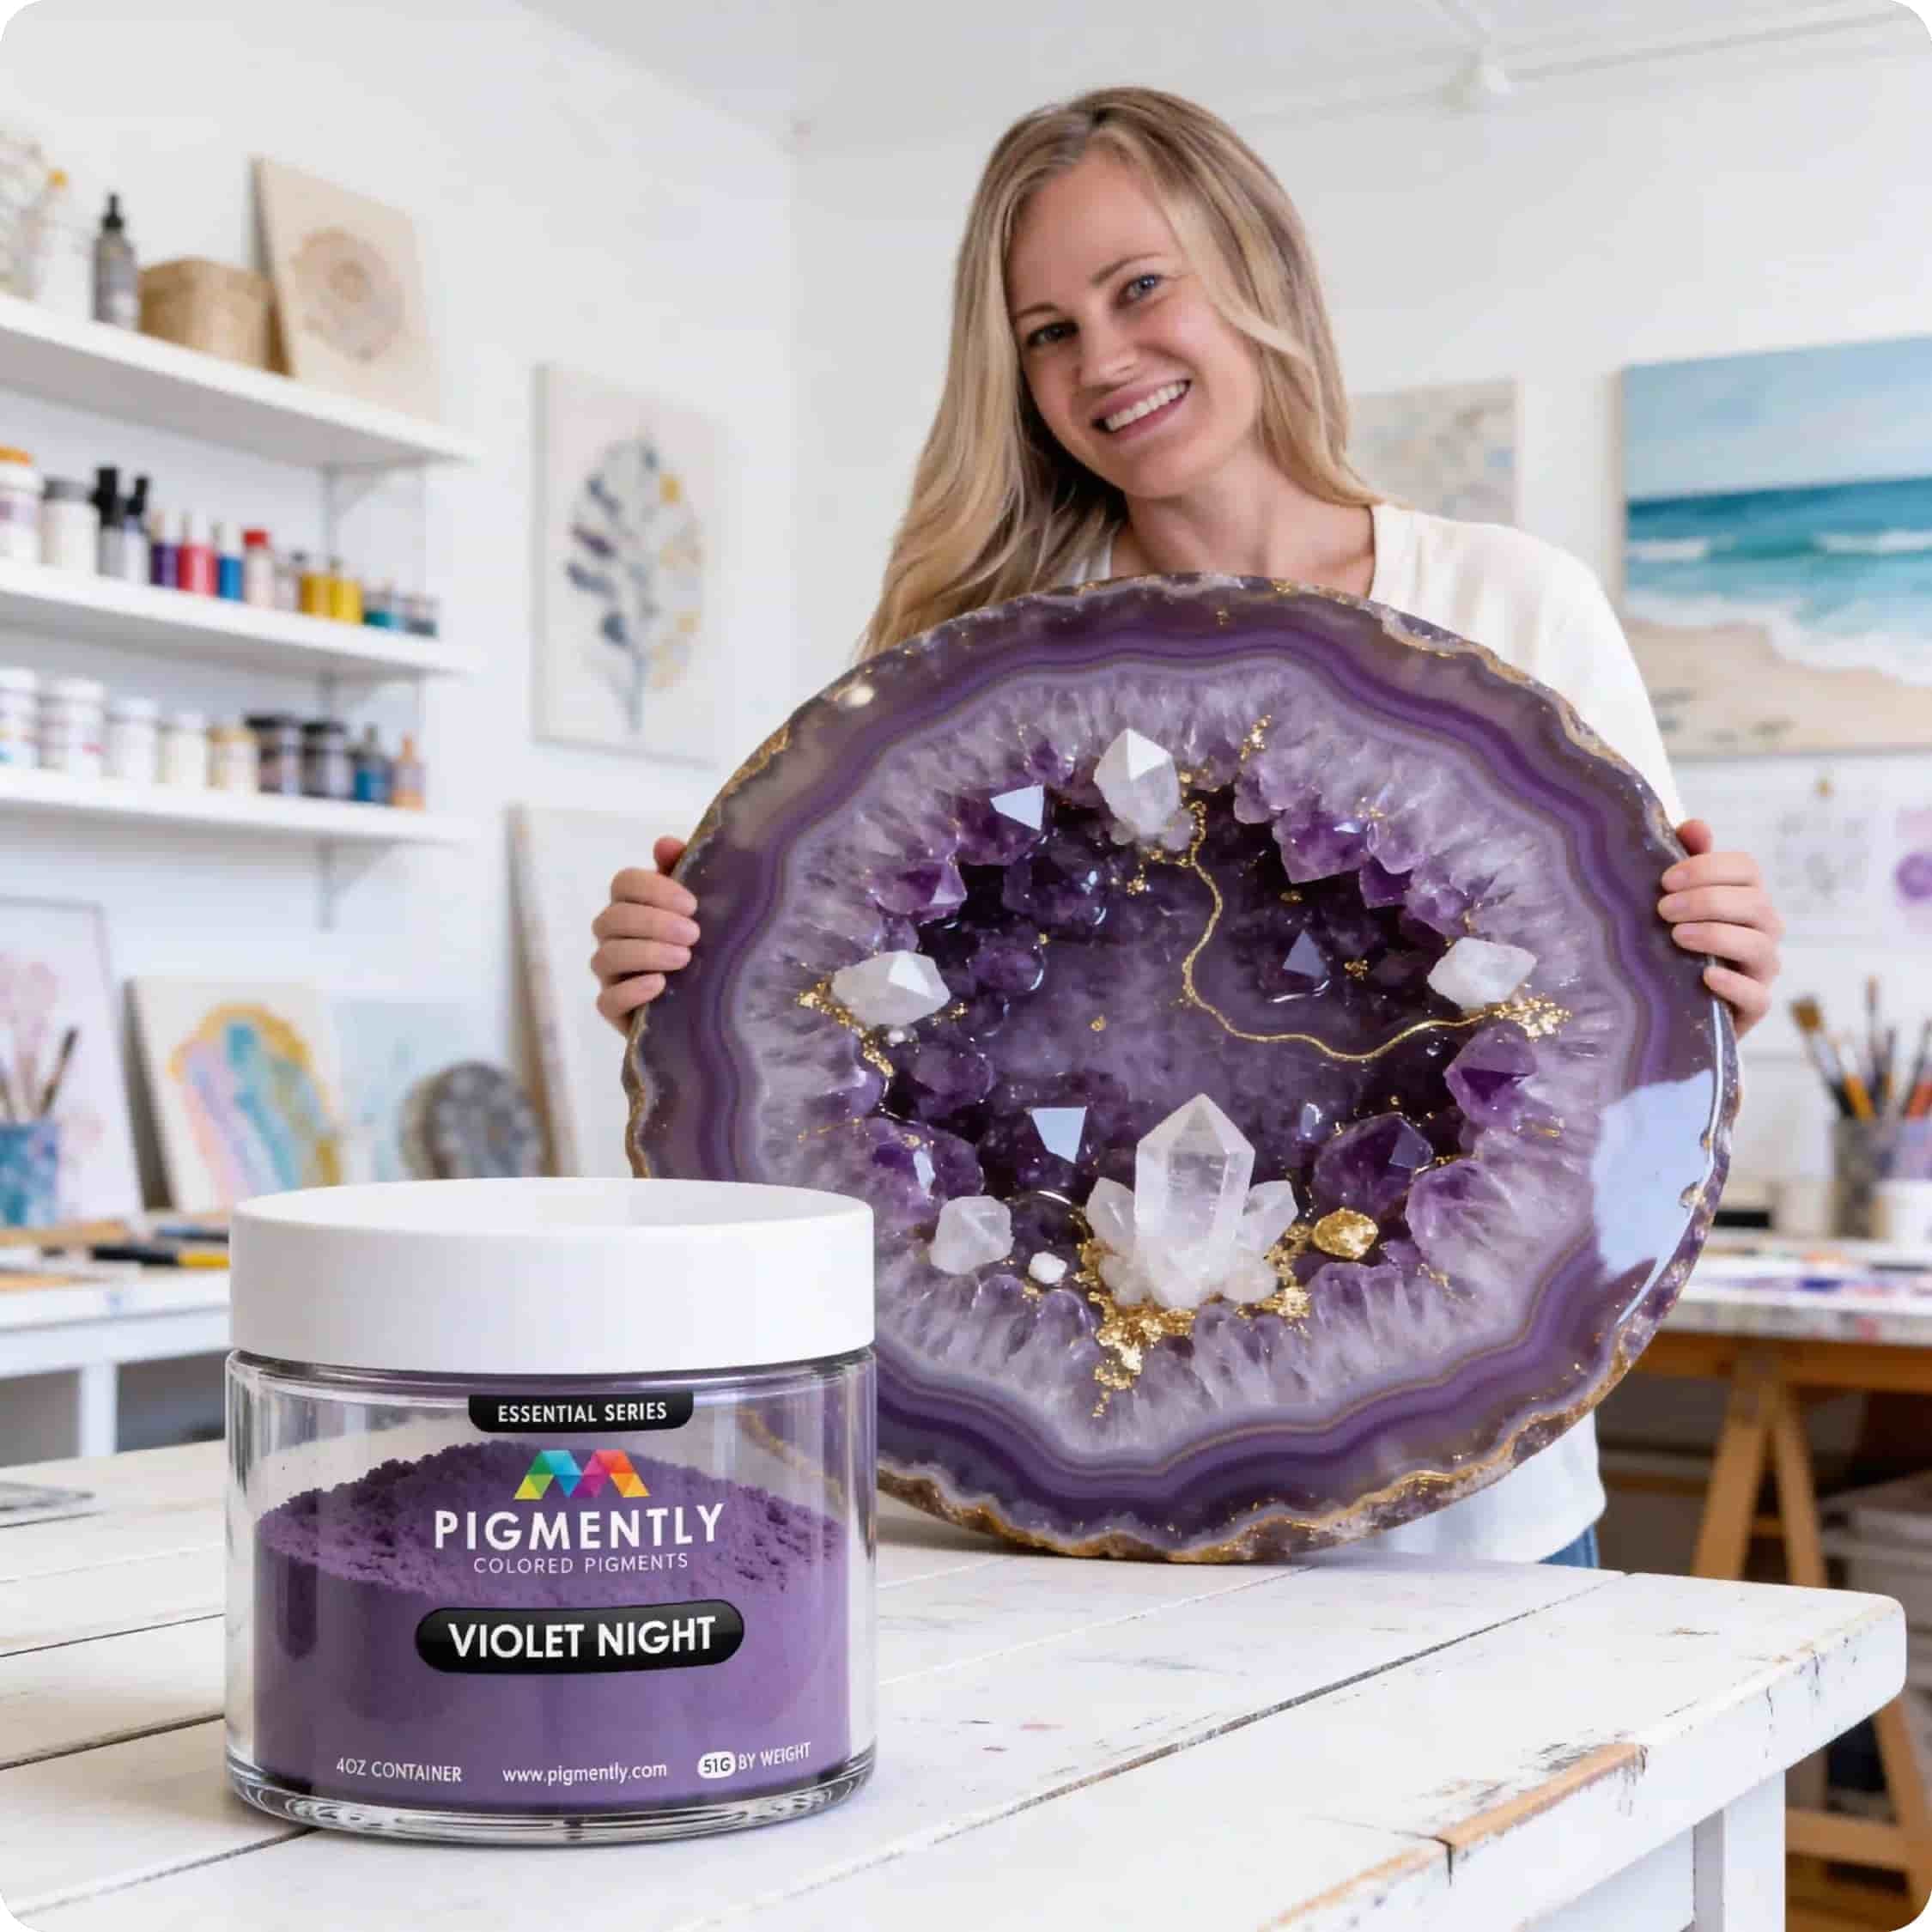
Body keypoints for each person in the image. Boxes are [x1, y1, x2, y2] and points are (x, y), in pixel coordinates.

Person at [590, 87, 1783, 1569]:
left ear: (1259, 275)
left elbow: (1636, 1036)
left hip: (1468, 1534)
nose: (1103, 358)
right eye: (1045, 330)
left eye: (1138, 287)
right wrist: (682, 962)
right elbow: (825, 1050)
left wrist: (1723, 952)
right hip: (1076, 1541)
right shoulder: (966, 660)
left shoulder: (1510, 601)